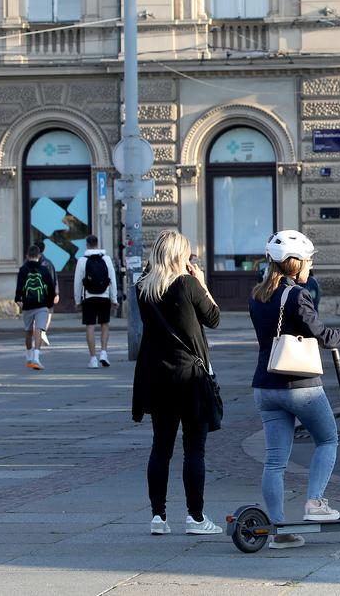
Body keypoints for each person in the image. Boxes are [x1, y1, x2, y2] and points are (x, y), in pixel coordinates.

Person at [249, 230, 340, 549]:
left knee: (275, 460)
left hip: (265, 384)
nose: (311, 266)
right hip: (297, 384)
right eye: (309, 260)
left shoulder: (257, 296)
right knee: (328, 438)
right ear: (296, 263)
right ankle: (315, 502)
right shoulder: (297, 295)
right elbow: (325, 337)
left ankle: (278, 530)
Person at [132, 230, 222, 537]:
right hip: (190, 377)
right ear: (180, 256)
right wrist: (203, 284)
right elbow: (214, 318)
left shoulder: (142, 288)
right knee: (194, 449)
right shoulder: (188, 284)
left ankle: (158, 517)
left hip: (157, 377)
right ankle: (195, 518)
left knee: (161, 447)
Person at [74, 235, 118, 368]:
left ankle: (93, 358)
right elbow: (112, 280)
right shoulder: (106, 259)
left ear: (87, 245)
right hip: (104, 297)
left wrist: (77, 300)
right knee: (105, 324)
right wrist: (114, 299)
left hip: (89, 297)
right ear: (97, 244)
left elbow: (77, 282)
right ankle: (104, 353)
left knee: (90, 326)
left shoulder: (82, 260)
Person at [15, 245, 58, 371]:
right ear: (39, 256)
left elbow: (19, 286)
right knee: (39, 329)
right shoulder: (44, 270)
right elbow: (50, 288)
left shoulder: (23, 270)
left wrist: (18, 299)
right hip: (42, 305)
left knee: (28, 331)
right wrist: (49, 304)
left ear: (27, 256)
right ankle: (36, 358)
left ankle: (28, 358)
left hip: (27, 305)